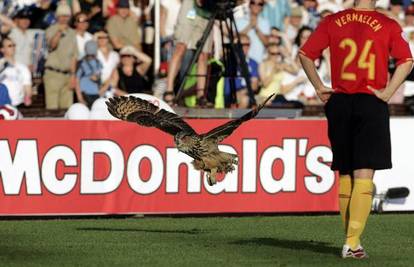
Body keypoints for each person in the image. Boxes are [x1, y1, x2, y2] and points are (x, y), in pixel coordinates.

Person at [299, 0, 413, 259]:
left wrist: (319, 85)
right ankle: (351, 242)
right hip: (370, 99)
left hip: (339, 100)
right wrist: (388, 92)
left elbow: (305, 54)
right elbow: (406, 61)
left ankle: (351, 241)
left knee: (346, 171)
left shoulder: (332, 21)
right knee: (364, 173)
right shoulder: (387, 24)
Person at [163, 0, 213, 107]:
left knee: (203, 54)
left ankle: (200, 95)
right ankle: (169, 91)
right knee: (180, 46)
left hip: (209, 9)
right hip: (191, 7)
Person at [43, 3, 78, 110]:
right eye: (61, 15)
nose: (64, 18)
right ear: (57, 16)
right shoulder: (50, 30)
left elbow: (74, 56)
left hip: (67, 75)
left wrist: (73, 75)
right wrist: (59, 31)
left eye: (66, 16)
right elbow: (52, 45)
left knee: (67, 109)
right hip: (53, 74)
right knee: (52, 109)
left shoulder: (73, 33)